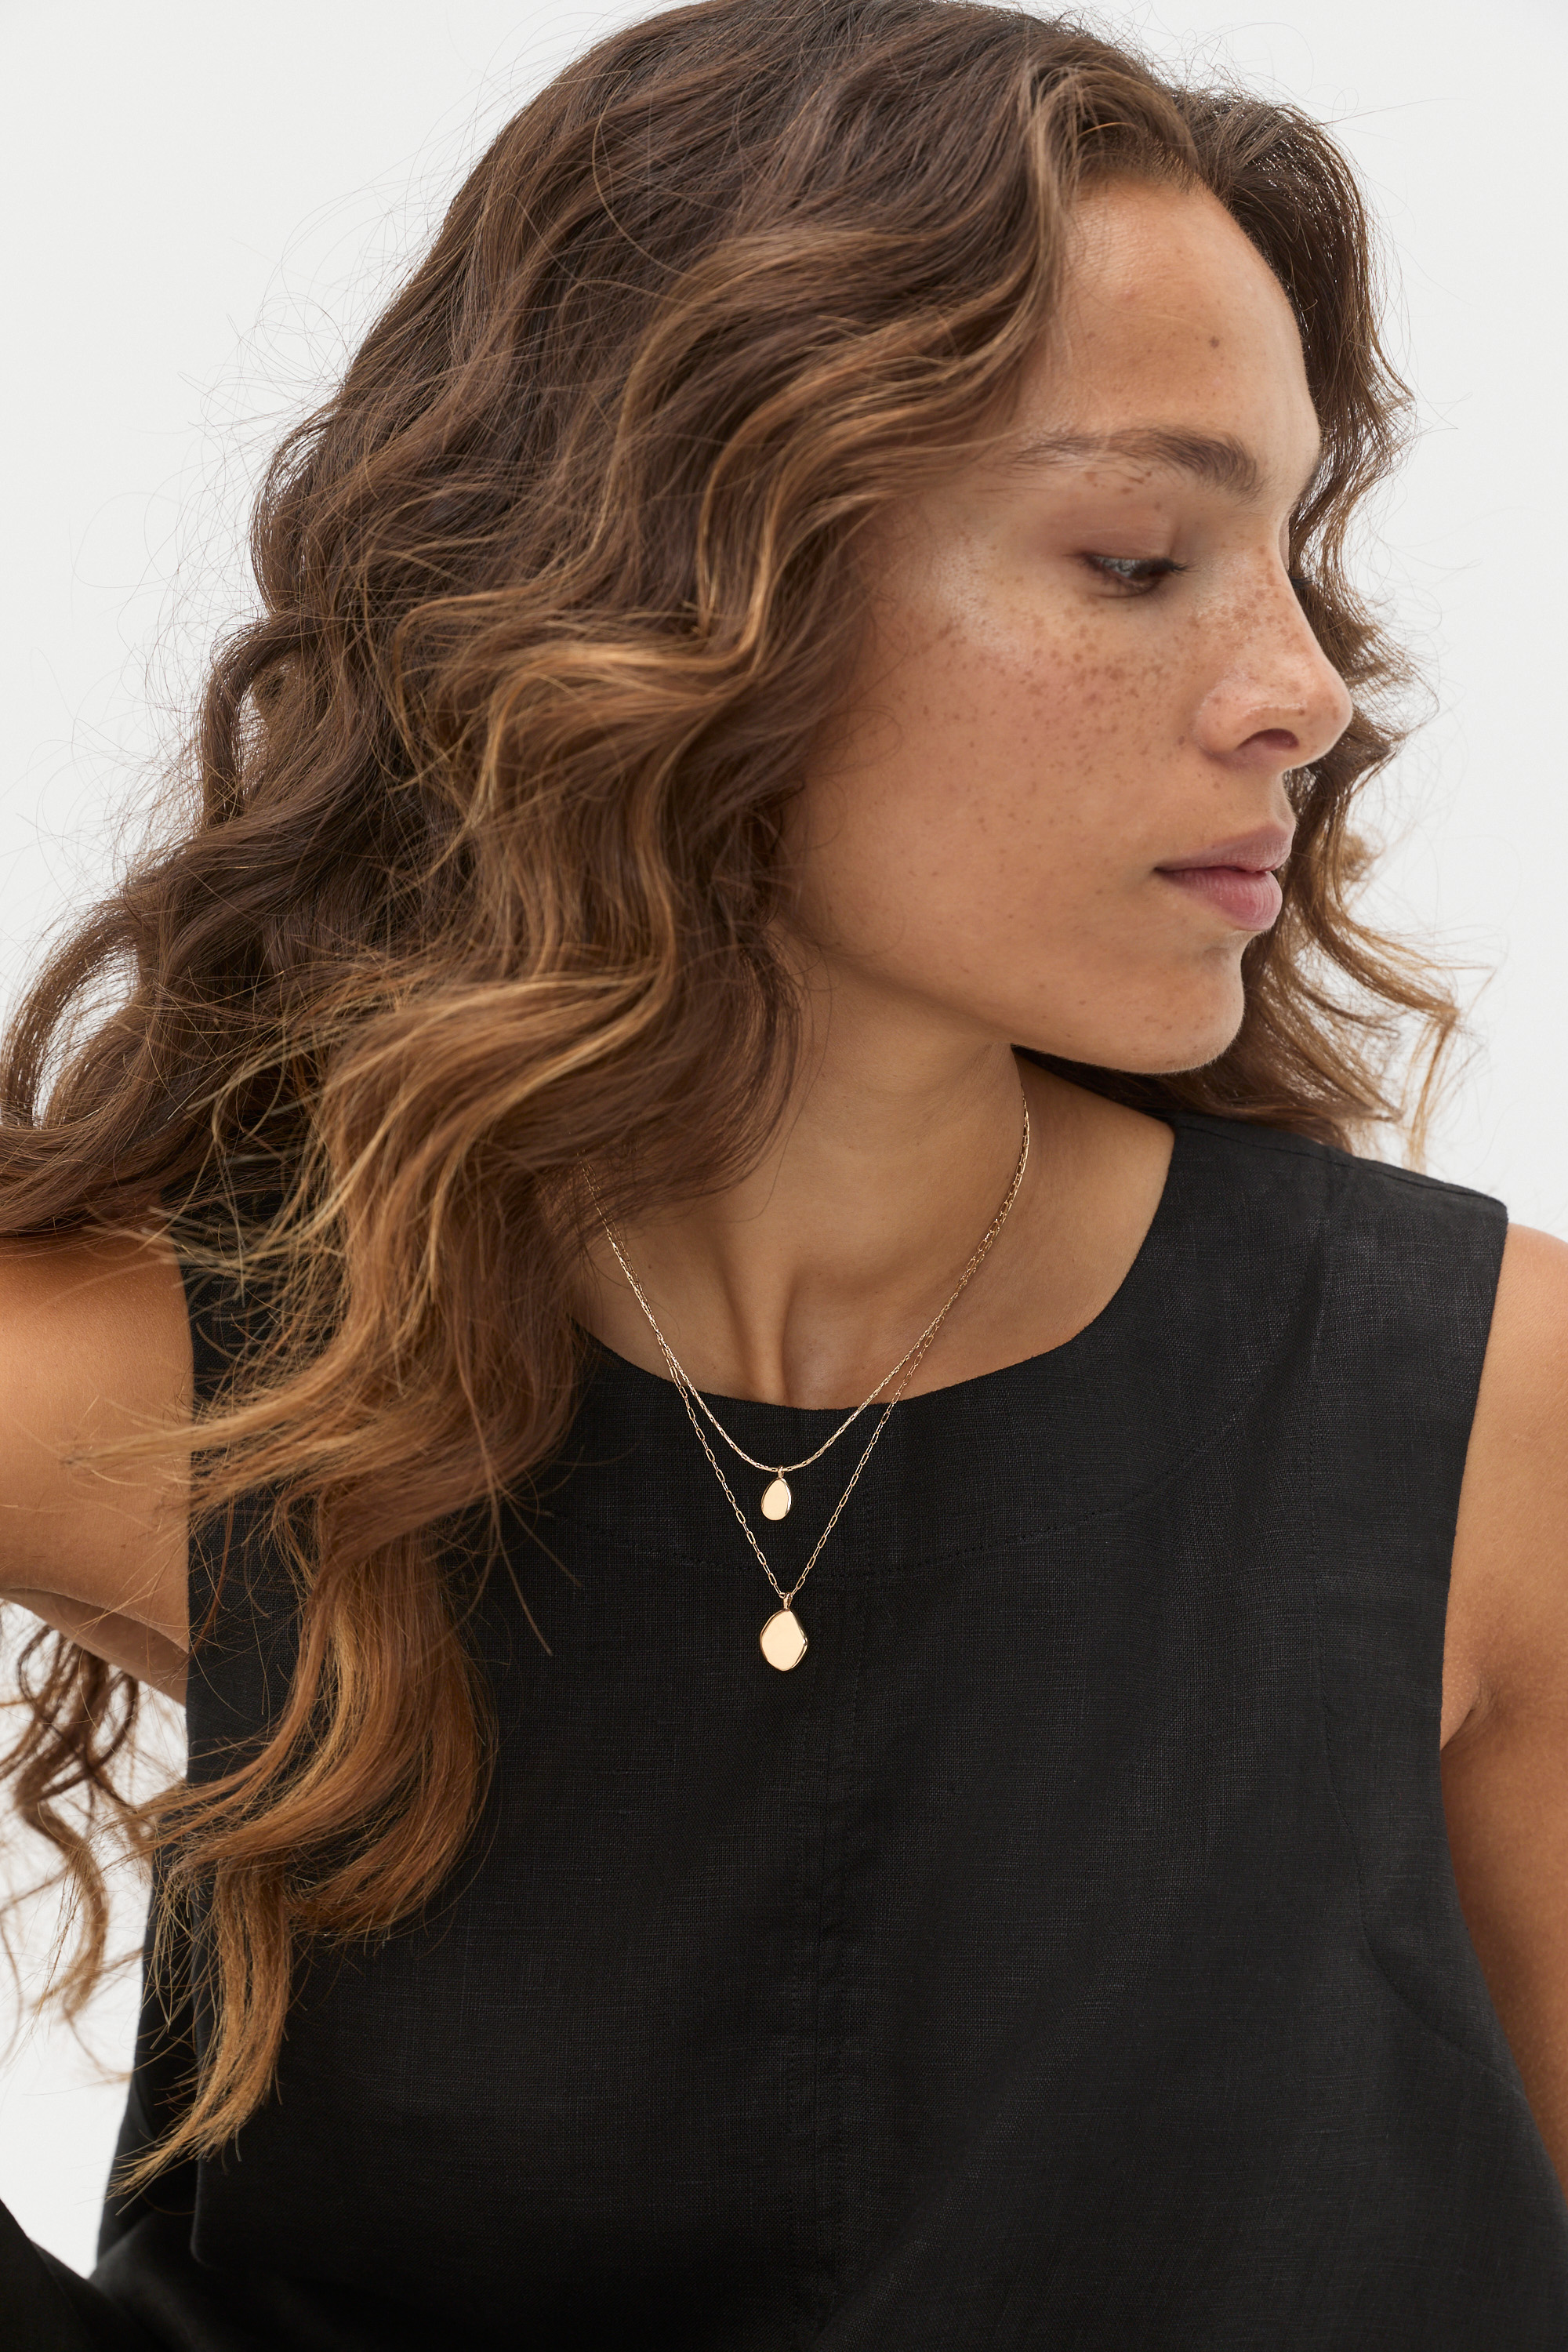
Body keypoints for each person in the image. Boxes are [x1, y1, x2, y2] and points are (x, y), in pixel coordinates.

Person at [3, 1, 1567, 2343]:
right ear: (680, 580)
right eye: (1138, 554)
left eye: (1289, 556)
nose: (1304, 687)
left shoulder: (1481, 1423)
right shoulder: (206, 1385)